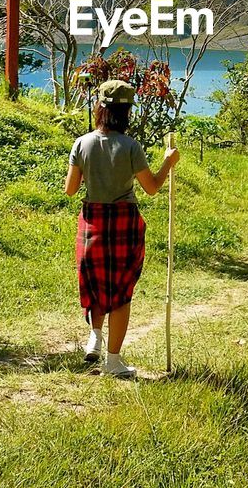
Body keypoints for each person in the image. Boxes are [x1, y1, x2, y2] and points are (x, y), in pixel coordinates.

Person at [65, 79, 179, 379]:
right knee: (121, 292)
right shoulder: (130, 146)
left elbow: (70, 189)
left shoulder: (82, 143)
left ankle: (95, 336)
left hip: (92, 220)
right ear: (126, 112)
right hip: (123, 222)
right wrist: (167, 162)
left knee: (95, 283)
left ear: (99, 108)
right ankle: (113, 361)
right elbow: (152, 187)